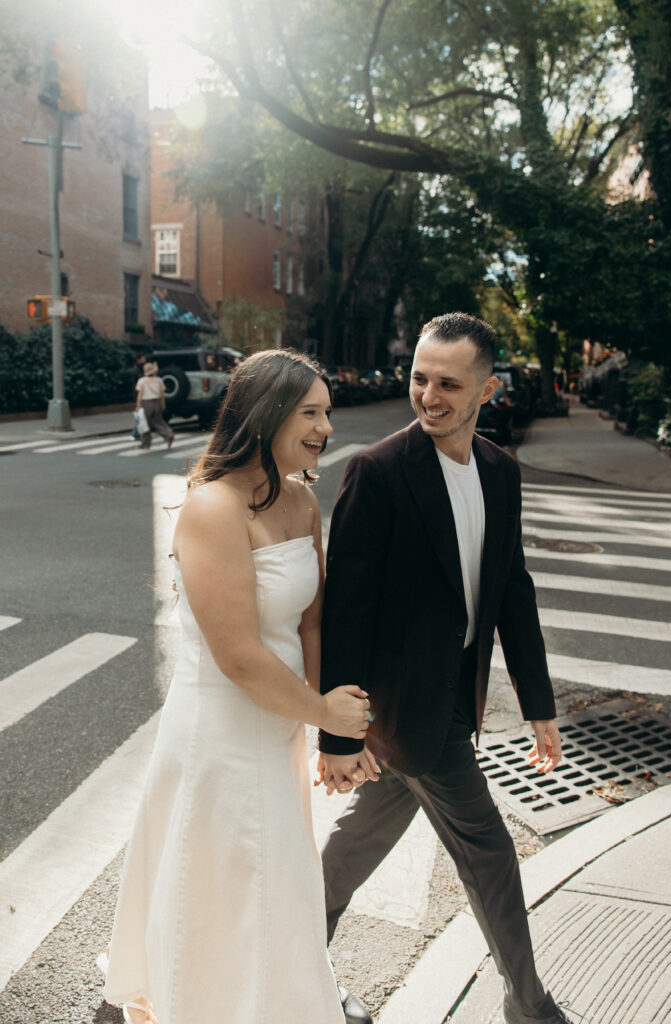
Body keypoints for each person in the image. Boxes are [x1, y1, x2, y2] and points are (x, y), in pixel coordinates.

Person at [317, 313, 579, 1024]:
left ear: (487, 389)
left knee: (355, 847)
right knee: (488, 853)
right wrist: (340, 735)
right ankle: (529, 1007)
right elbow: (346, 609)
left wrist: (537, 701)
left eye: (447, 384)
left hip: (454, 696)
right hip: (404, 712)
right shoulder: (375, 472)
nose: (428, 396)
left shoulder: (498, 469)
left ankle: (289, 968)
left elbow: (511, 586)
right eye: (419, 379)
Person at [101, 350, 372, 1024]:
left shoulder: (302, 499)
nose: (325, 428)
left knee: (274, 885)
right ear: (266, 415)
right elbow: (238, 657)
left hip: (276, 727)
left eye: (327, 413)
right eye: (310, 412)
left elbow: (311, 625)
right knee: (222, 885)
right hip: (219, 734)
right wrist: (321, 709)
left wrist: (335, 736)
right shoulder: (211, 507)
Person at [135, 362, 174, 450]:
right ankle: (169, 434)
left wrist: (137, 405)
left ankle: (145, 443)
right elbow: (162, 394)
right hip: (157, 402)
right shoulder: (159, 380)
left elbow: (140, 394)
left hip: (146, 403)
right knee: (159, 421)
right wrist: (163, 404)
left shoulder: (142, 381)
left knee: (145, 423)